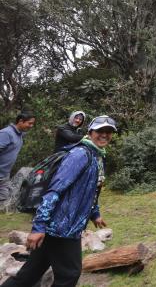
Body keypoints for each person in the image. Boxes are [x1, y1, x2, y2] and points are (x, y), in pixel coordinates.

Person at [1, 115, 116, 287]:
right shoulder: (80, 155)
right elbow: (54, 190)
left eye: (109, 131)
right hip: (62, 226)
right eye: (100, 130)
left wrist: (95, 213)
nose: (105, 135)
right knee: (69, 274)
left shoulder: (96, 156)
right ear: (91, 132)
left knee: (28, 275)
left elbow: (89, 190)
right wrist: (39, 226)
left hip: (60, 226)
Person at [0, 112, 36, 204]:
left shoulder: (19, 134)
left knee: (4, 196)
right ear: (20, 121)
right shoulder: (6, 133)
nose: (31, 126)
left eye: (32, 124)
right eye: (29, 123)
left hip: (4, 174)